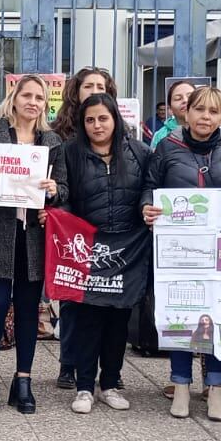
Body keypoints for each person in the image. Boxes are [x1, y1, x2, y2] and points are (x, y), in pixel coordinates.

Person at [144, 85, 221, 421]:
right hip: (180, 249)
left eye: (213, 112)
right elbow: (149, 185)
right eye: (199, 110)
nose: (205, 117)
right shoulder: (167, 146)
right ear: (186, 112)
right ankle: (180, 384)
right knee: (183, 313)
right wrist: (147, 207)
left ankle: (217, 386)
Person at [0, 75, 66, 415]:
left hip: (32, 236)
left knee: (27, 308)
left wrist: (54, 190)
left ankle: (23, 380)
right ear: (15, 98)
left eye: (39, 97)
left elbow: (65, 187)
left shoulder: (52, 141)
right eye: (27, 95)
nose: (32, 102)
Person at [61, 93, 150, 414]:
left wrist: (146, 207)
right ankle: (84, 387)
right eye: (90, 119)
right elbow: (63, 194)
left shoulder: (139, 153)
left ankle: (109, 383)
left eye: (103, 118)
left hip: (127, 252)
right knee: (87, 320)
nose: (97, 125)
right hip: (87, 250)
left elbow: (149, 190)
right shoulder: (70, 153)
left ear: (115, 119)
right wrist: (64, 221)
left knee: (117, 321)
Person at [52, 67, 118, 389]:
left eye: (99, 86)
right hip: (71, 226)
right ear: (76, 91)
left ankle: (107, 370)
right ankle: (69, 362)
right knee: (71, 297)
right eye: (87, 85)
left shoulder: (118, 131)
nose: (93, 89)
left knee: (104, 301)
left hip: (108, 230)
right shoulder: (61, 132)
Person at [149, 77, 198, 149]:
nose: (185, 100)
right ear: (170, 109)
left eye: (190, 96)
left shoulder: (215, 132)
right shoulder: (160, 135)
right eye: (178, 98)